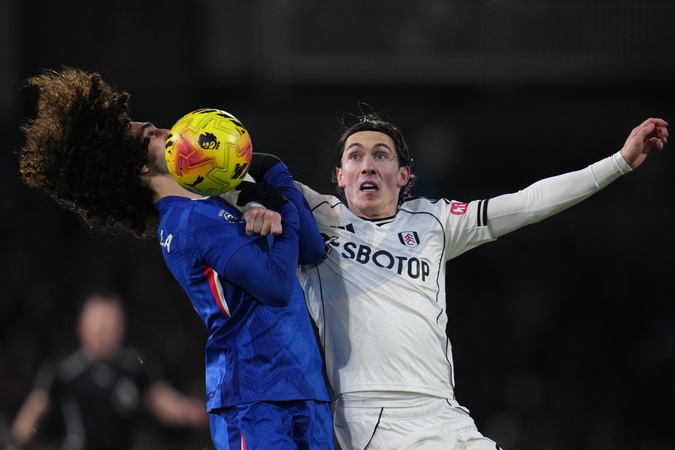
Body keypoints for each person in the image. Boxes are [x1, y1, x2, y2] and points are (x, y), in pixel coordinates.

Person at [271, 112, 665, 449]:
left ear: (403, 175)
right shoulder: (317, 218)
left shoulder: (435, 221)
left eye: (381, 155)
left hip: (446, 412)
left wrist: (619, 162)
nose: (368, 165)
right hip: (375, 418)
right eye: (355, 156)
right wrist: (258, 206)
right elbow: (244, 174)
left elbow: (528, 203)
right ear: (340, 176)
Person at [16, 67, 334, 450]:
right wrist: (281, 207)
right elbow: (277, 286)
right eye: (153, 134)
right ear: (142, 166)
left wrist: (271, 171)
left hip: (304, 385)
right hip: (254, 396)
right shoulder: (187, 222)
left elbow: (312, 250)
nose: (170, 132)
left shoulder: (217, 201)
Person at [3, 291, 209, 450]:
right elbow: (36, 407)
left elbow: (160, 400)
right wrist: (15, 441)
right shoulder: (64, 368)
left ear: (121, 328)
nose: (103, 334)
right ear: (81, 328)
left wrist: (187, 411)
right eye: (98, 326)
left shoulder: (136, 365)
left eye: (109, 326)